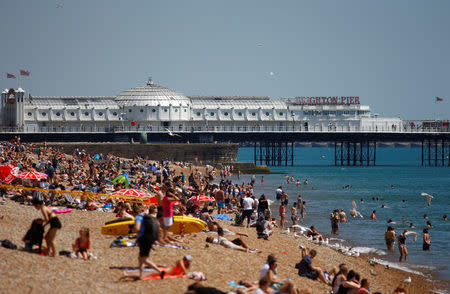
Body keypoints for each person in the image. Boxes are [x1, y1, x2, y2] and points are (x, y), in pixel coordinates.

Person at [134, 207, 164, 280]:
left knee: (144, 259)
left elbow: (137, 228)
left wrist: (132, 229)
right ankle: (141, 275)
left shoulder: (138, 217)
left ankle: (160, 271)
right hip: (150, 238)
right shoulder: (149, 218)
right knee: (140, 257)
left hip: (143, 238)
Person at [121, 255, 192, 280]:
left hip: (165, 273)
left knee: (145, 275)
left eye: (186, 259)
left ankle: (127, 275)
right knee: (145, 275)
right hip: (163, 272)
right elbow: (184, 271)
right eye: (184, 258)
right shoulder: (180, 261)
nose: (184, 259)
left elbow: (183, 272)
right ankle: (127, 275)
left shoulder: (186, 265)